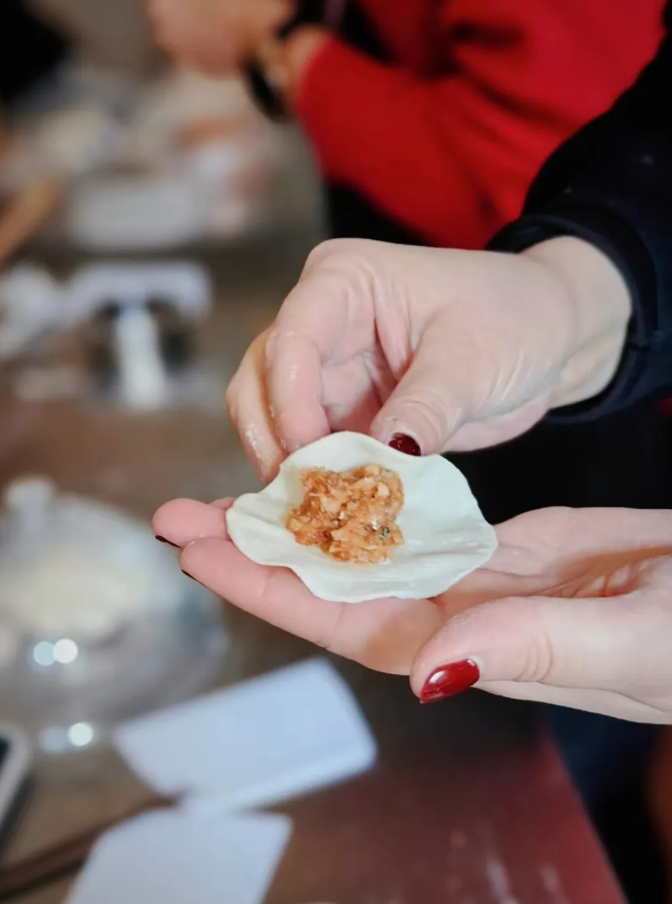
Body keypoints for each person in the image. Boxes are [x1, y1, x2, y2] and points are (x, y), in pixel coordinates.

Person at [153, 5, 672, 721]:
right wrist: (574, 288)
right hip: (504, 364)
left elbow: (521, 143)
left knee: (546, 744)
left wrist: (284, 52)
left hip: (586, 447)